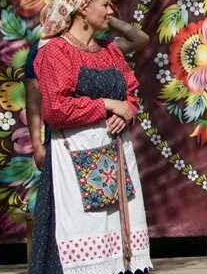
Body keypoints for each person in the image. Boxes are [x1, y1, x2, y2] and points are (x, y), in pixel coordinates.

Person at [25, 0, 156, 274]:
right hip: (72, 159)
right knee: (78, 235)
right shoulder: (55, 53)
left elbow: (129, 89)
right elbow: (55, 109)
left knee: (116, 235)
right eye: (103, 4)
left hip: (113, 156)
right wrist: (107, 106)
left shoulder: (109, 52)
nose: (109, 10)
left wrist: (126, 111)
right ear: (83, 8)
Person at [25, 10, 150, 169]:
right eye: (103, 6)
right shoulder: (46, 49)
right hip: (66, 140)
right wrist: (36, 144)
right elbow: (33, 99)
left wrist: (106, 17)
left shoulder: (104, 47)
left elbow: (141, 39)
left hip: (110, 143)